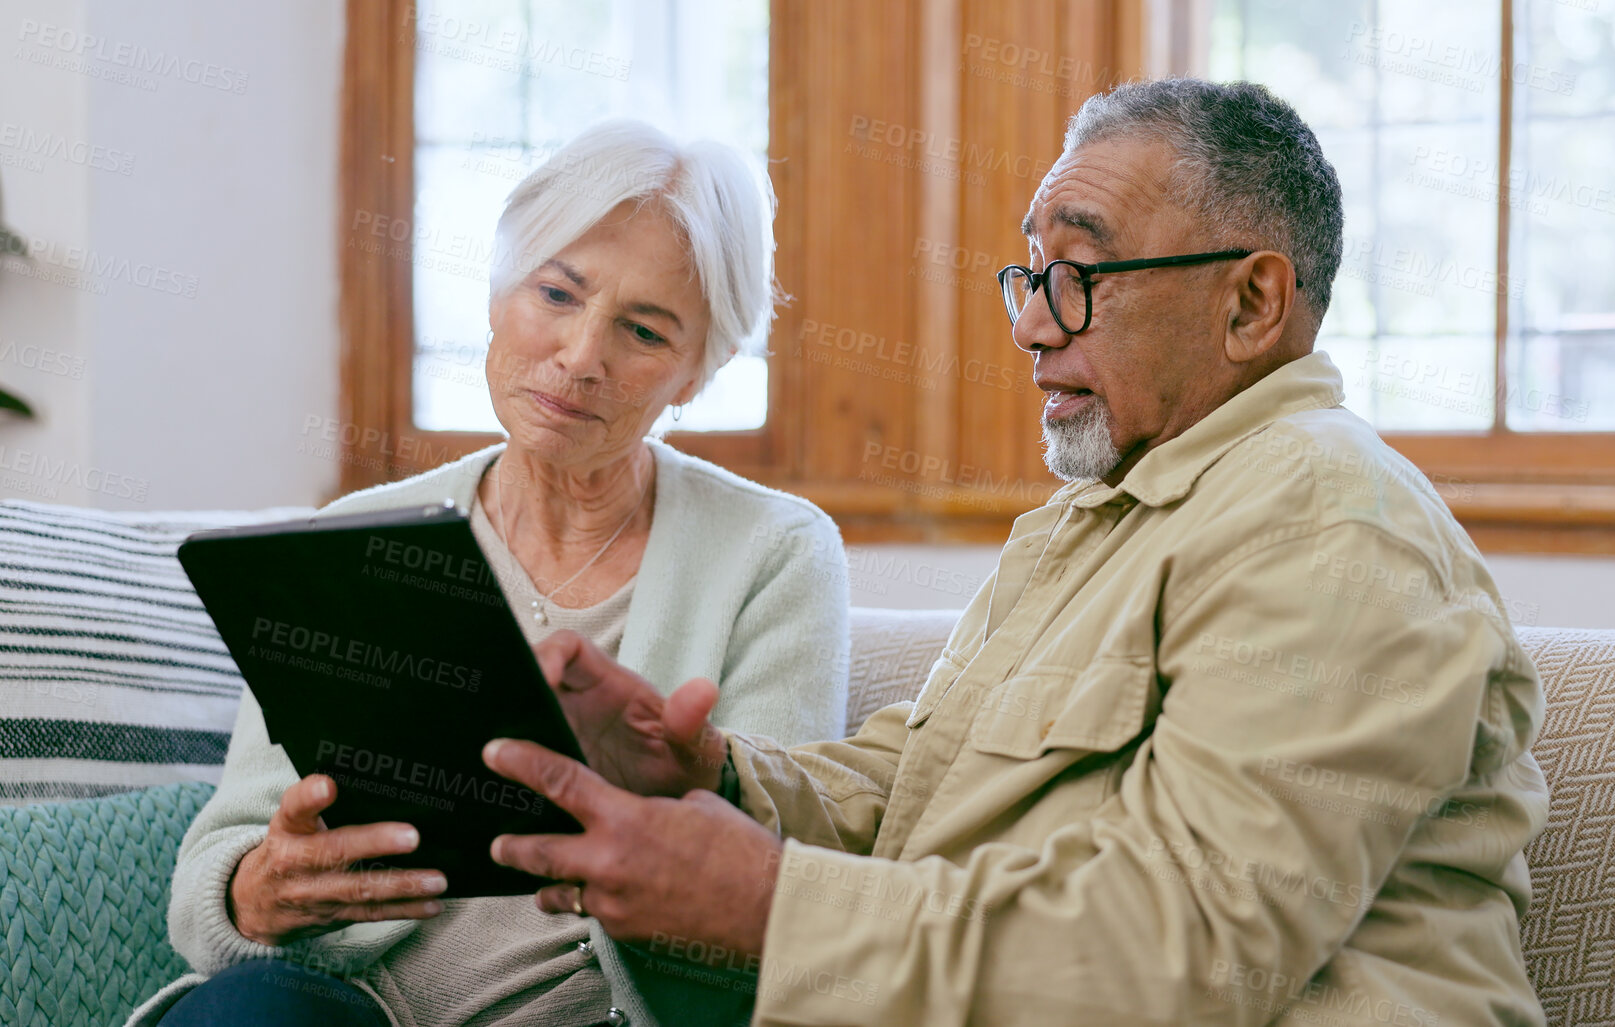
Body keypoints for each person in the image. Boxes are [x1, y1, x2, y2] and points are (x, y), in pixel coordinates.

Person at [477, 79, 1551, 1026]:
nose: (1032, 326)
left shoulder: (1328, 519)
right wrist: (708, 771)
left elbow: (1185, 955)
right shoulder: (1098, 516)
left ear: (1252, 302)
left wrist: (768, 904)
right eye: (1029, 272)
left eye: (1079, 273)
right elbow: (917, 782)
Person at [130, 119, 852, 1027]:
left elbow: (765, 892)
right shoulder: (354, 535)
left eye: (642, 330)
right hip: (343, 1003)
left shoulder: (774, 551)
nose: (582, 356)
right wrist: (256, 892)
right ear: (498, 287)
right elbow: (217, 878)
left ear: (695, 375)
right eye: (556, 292)